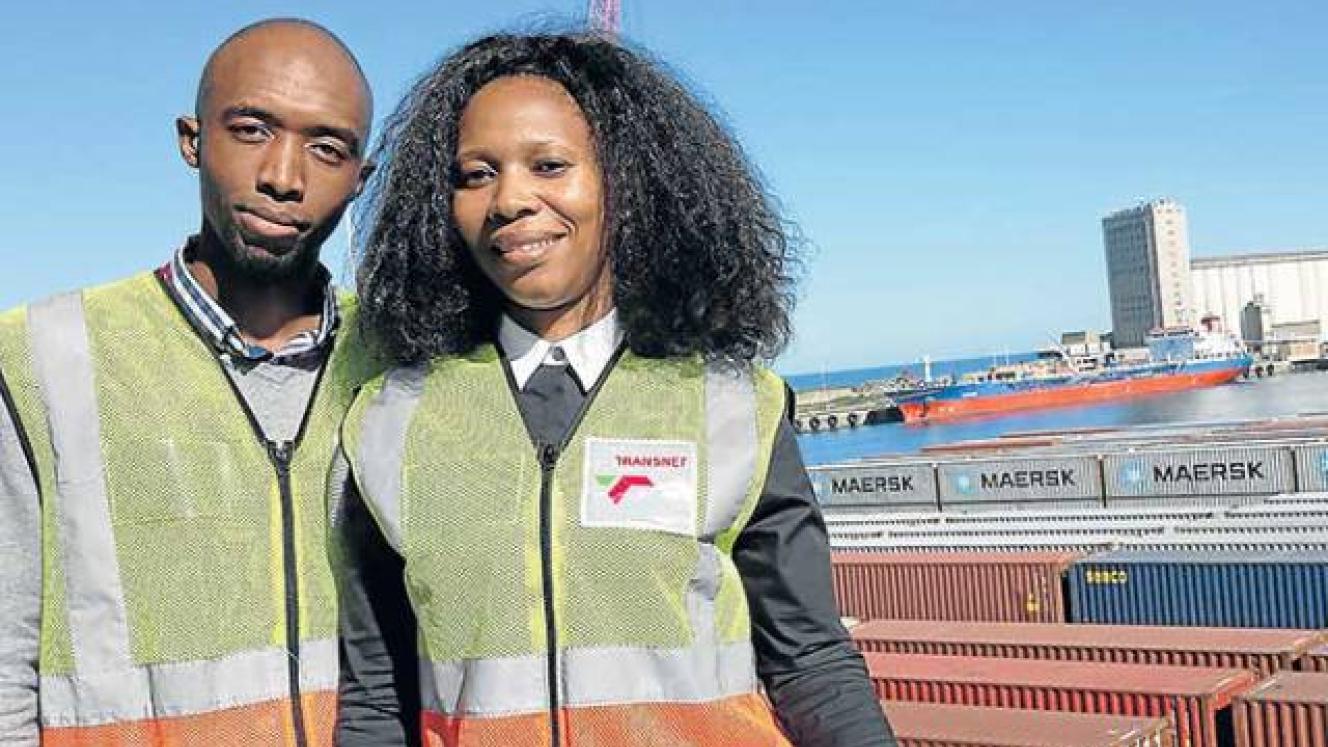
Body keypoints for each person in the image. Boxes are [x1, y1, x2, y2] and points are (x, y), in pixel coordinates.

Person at [334, 32, 896, 747]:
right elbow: (377, 697)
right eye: (476, 174)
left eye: (549, 165)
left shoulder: (730, 405)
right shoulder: (390, 421)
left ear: (626, 183)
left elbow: (810, 661)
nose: (510, 199)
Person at [0, 18, 378, 746]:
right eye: (251, 130)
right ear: (191, 140)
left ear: (359, 177)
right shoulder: (41, 356)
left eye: (326, 148)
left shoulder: (400, 359)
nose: (284, 175)